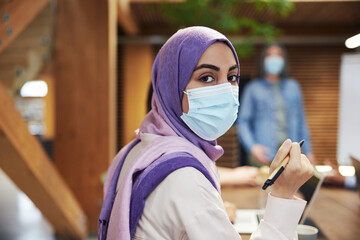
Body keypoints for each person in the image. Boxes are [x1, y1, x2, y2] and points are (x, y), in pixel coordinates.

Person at [98, 27, 313, 240]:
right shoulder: (186, 179)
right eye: (207, 78)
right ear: (171, 87)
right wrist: (283, 196)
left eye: (232, 77)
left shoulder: (136, 149)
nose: (226, 91)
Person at [237, 44, 314, 167]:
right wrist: (252, 147)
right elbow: (243, 122)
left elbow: (301, 122)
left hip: (290, 156)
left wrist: (309, 151)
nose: (274, 59)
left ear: (284, 60)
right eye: (270, 55)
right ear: (263, 60)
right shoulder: (253, 88)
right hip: (264, 156)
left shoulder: (293, 87)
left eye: (278, 55)